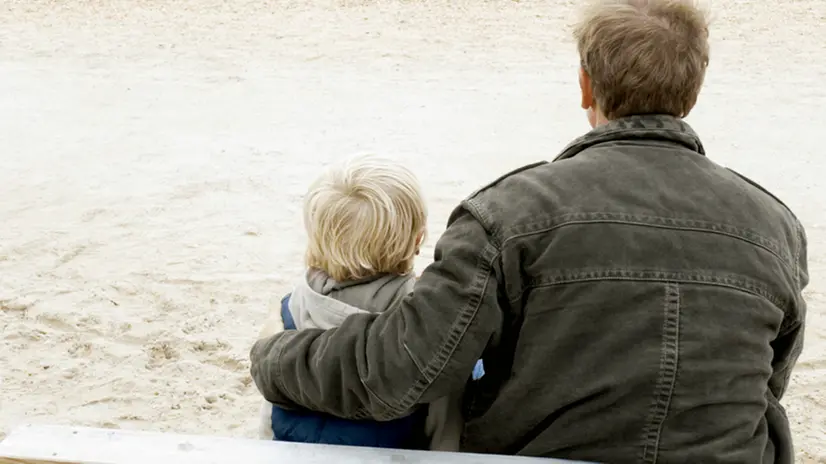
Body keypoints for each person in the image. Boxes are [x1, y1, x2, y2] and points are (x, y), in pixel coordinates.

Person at [250, 1, 808, 462]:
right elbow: (767, 382)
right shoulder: (776, 225)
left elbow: (403, 370)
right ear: (694, 90)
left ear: (586, 87)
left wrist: (276, 360)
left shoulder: (506, 214)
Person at [254, 153, 482, 451]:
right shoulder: (424, 321)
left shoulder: (289, 309)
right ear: (418, 241)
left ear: (316, 240)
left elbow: (269, 420)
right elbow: (445, 433)